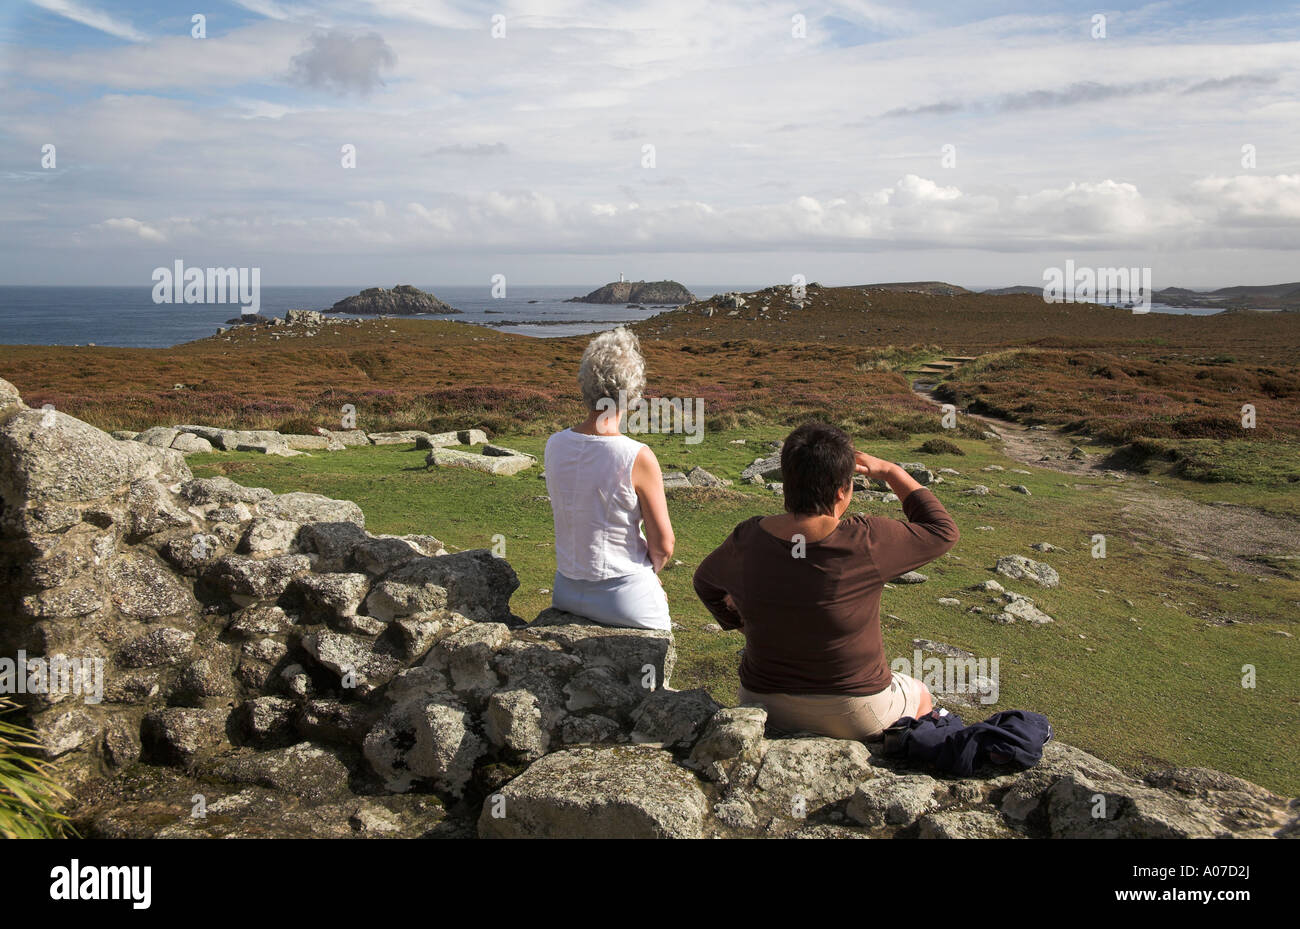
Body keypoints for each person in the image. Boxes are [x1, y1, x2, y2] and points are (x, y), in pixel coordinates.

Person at [692, 421, 960, 740]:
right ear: (841, 491)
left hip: (763, 703)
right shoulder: (866, 540)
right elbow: (942, 530)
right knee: (919, 692)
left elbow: (704, 583)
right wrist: (890, 471)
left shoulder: (747, 538)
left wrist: (741, 625)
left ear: (787, 483)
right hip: (855, 711)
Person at [543, 327, 674, 630]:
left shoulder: (555, 444)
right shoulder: (637, 456)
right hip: (625, 597)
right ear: (632, 393)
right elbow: (663, 545)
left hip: (565, 589)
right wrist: (650, 582)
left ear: (585, 385)